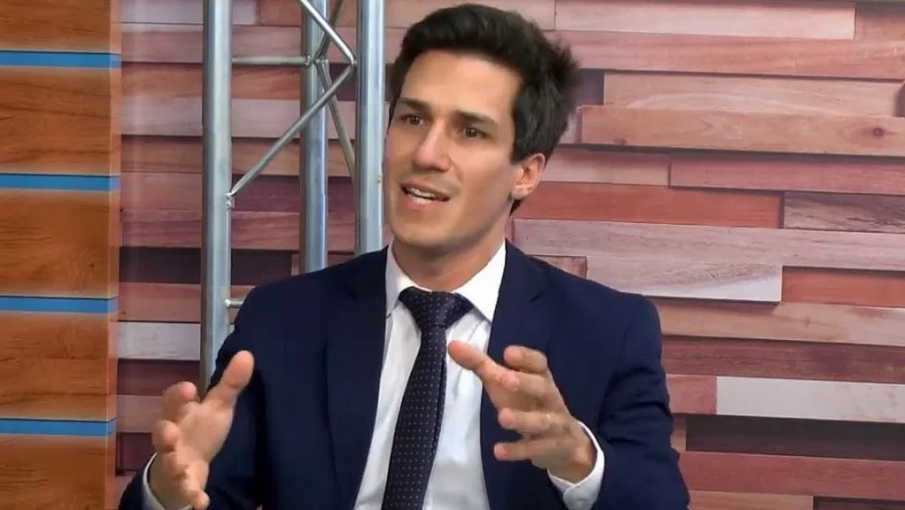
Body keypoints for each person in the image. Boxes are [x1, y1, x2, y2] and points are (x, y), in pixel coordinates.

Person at [117, 3, 689, 509]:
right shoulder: (283, 321)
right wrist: (166, 493)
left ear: (526, 172)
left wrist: (578, 462)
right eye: (413, 119)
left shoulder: (607, 331)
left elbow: (658, 500)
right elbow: (201, 487)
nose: (427, 153)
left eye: (469, 132)